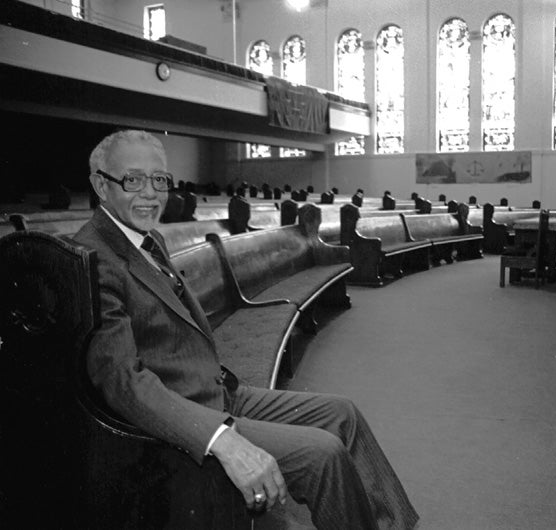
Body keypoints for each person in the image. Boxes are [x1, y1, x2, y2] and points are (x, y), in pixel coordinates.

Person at [74, 130, 419, 530]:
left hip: (217, 390)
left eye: (160, 180)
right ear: (101, 185)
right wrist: (222, 439)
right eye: (133, 180)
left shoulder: (144, 239)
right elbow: (120, 381)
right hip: (186, 417)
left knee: (343, 414)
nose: (150, 193)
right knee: (322, 454)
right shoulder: (93, 260)